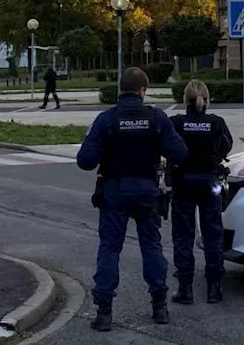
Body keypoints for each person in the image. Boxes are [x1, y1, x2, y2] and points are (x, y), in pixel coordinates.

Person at [77, 67, 188, 333]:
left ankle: (104, 313)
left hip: (114, 191)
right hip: (147, 191)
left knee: (109, 249)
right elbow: (180, 152)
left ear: (120, 90)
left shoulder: (106, 119)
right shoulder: (156, 117)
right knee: (151, 246)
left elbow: (85, 161)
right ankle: (159, 305)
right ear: (143, 91)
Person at [167, 80, 232, 306]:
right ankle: (214, 288)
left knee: (183, 235)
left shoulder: (175, 122)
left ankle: (185, 289)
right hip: (210, 181)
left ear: (185, 100)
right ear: (207, 99)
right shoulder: (216, 123)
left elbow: (165, 147)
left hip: (183, 181)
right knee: (213, 233)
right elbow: (227, 147)